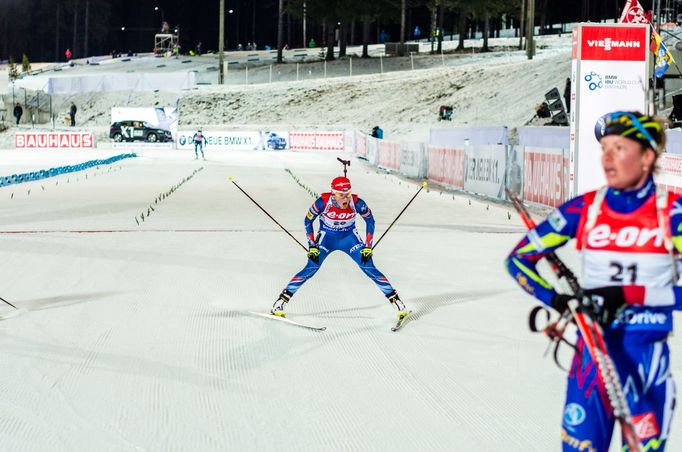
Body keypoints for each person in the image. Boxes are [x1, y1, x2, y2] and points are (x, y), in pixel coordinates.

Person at [506, 111, 679, 451]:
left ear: (647, 156)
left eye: (619, 147)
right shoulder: (586, 209)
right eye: (604, 148)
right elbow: (519, 259)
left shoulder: (671, 214)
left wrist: (630, 293)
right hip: (592, 360)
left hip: (645, 362)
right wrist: (557, 300)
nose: (608, 157)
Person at [271, 176, 408, 321]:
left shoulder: (357, 203)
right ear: (333, 193)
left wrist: (368, 246)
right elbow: (308, 220)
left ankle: (396, 302)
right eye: (341, 194)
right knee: (312, 267)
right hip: (327, 237)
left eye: (348, 194)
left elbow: (370, 220)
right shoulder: (323, 202)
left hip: (349, 238)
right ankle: (280, 302)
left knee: (368, 266)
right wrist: (312, 246)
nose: (346, 198)